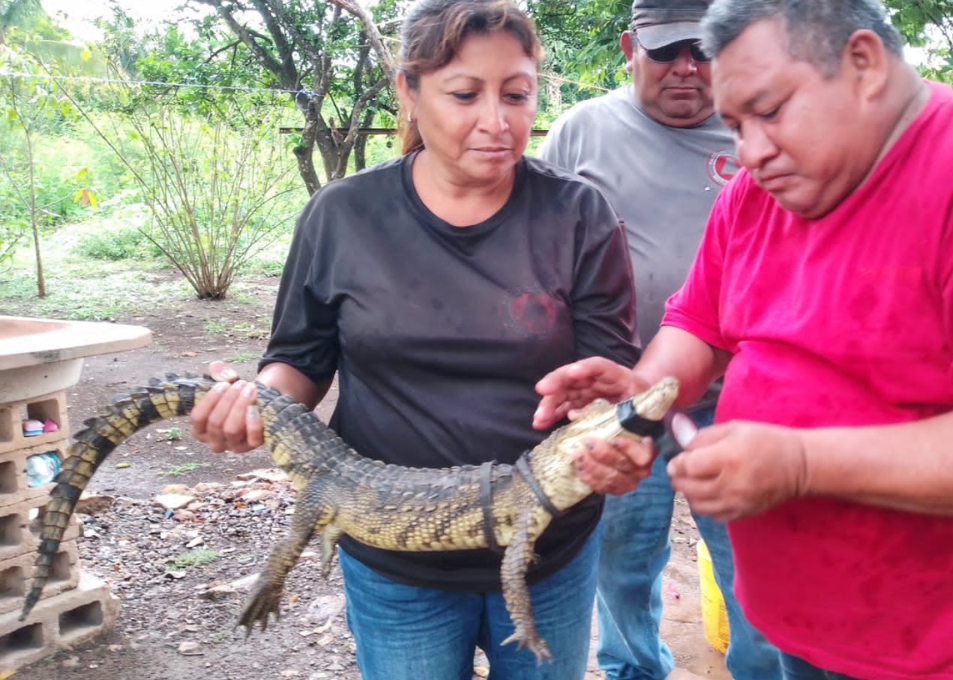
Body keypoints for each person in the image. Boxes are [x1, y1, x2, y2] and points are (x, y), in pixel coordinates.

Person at [531, 0, 953, 679]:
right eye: (733, 125)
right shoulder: (759, 192)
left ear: (862, 64)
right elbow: (699, 324)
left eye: (770, 111)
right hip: (797, 621)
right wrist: (640, 394)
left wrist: (797, 464)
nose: (749, 151)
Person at [187, 0, 641, 678]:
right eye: (465, 94)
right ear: (409, 89)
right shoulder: (342, 215)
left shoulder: (578, 214)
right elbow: (298, 360)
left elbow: (609, 378)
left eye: (517, 94)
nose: (497, 121)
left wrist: (621, 437)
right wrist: (257, 404)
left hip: (549, 548)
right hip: (394, 561)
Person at [538, 1, 781, 679]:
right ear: (629, 47)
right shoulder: (582, 130)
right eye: (666, 51)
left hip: (738, 395)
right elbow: (538, 243)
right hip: (621, 398)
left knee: (748, 565)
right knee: (622, 559)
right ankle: (635, 668)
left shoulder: (754, 134)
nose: (685, 68)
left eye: (702, 52)